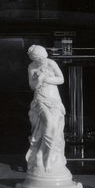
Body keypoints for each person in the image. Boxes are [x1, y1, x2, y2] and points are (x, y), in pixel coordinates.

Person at [25, 44, 68, 176]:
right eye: (39, 59)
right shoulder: (32, 67)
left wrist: (46, 78)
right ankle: (44, 157)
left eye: (44, 58)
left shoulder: (51, 63)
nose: (43, 60)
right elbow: (32, 86)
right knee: (49, 122)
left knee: (54, 128)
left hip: (54, 99)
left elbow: (61, 79)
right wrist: (39, 79)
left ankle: (44, 156)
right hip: (40, 100)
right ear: (35, 59)